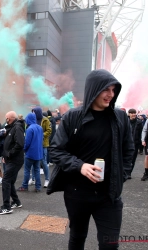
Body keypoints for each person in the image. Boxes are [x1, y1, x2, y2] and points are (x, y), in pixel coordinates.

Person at [48, 69, 134, 249]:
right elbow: (56, 150)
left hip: (109, 195)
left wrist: (122, 176)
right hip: (78, 193)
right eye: (106, 89)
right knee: (77, 239)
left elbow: (129, 150)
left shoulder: (120, 117)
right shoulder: (73, 116)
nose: (111, 94)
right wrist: (80, 166)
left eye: (113, 90)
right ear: (94, 89)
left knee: (110, 245)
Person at [0, 111, 25, 215]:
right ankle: (16, 202)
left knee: (6, 180)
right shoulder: (13, 127)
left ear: (10, 118)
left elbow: (20, 144)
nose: (5, 120)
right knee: (10, 181)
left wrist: (9, 154)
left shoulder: (17, 127)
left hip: (15, 160)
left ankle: (6, 207)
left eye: (6, 118)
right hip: (11, 159)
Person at [17, 112, 43, 192]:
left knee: (27, 170)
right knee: (37, 170)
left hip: (30, 153)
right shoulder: (40, 127)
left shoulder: (29, 129)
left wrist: (24, 149)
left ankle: (24, 186)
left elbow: (27, 142)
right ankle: (38, 187)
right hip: (38, 153)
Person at [30, 107, 51, 188]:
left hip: (43, 144)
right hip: (34, 144)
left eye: (34, 112)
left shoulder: (45, 120)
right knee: (33, 161)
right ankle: (33, 179)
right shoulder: (32, 120)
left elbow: (49, 131)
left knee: (43, 162)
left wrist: (41, 135)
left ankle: (47, 180)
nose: (33, 114)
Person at [127, 108, 142, 179]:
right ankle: (124, 172)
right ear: (129, 114)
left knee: (133, 159)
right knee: (125, 158)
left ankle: (129, 173)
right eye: (132, 113)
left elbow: (141, 133)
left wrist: (140, 143)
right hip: (126, 143)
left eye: (134, 113)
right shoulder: (126, 121)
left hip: (135, 143)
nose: (133, 114)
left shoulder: (139, 122)